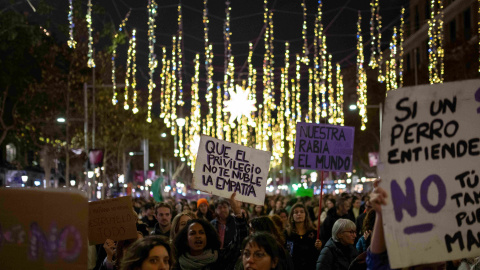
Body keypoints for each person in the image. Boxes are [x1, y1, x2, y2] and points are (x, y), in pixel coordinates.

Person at [210, 193, 249, 270]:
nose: (222, 210)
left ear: (229, 208)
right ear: (215, 210)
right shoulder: (212, 224)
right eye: (220, 207)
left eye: (225, 207)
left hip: (232, 258)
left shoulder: (236, 222)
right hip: (216, 260)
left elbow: (243, 235)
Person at [285, 203, 321, 270]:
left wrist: (319, 246)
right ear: (292, 216)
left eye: (302, 212)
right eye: (296, 212)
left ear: (306, 215)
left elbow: (317, 253)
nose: (299, 214)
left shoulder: (313, 233)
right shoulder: (287, 233)